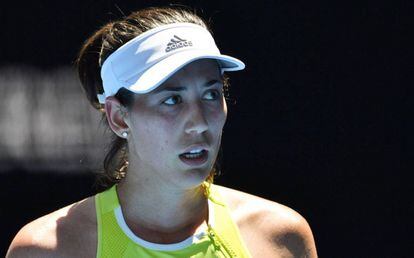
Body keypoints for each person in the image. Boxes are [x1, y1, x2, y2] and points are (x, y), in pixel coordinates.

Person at [6, 6, 317, 258]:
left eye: (211, 94)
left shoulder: (280, 237)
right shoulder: (48, 250)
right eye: (172, 100)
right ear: (119, 117)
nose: (199, 122)